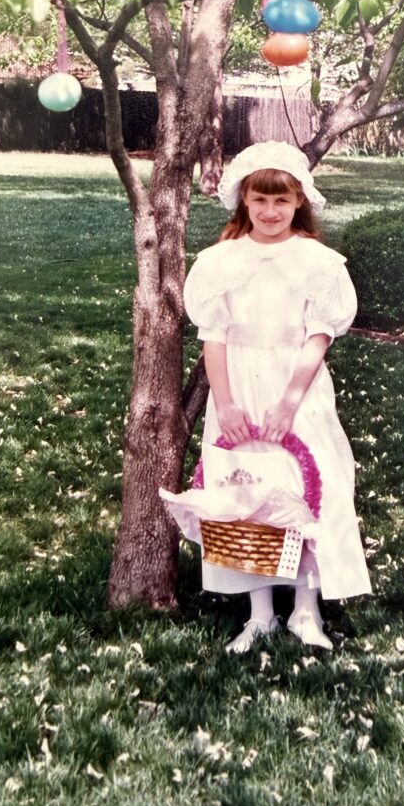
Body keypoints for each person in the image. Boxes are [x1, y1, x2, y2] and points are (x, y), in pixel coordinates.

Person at [161, 141, 371, 654]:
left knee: (307, 488)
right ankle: (259, 614)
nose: (270, 212)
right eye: (260, 201)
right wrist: (227, 405)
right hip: (239, 384)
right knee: (247, 491)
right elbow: (214, 335)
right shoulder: (220, 262)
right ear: (243, 202)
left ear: (300, 201)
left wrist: (288, 403)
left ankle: (305, 609)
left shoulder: (318, 263)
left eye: (281, 201)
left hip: (296, 386)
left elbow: (319, 335)